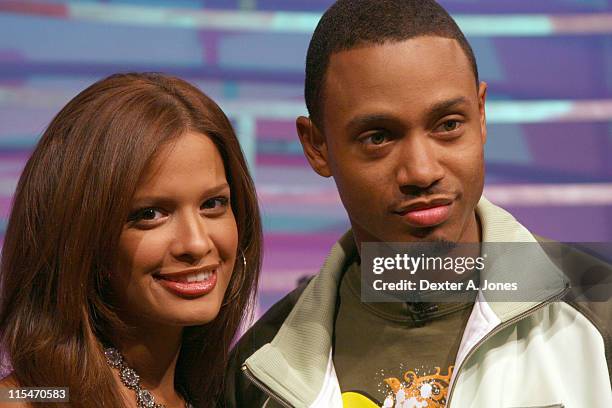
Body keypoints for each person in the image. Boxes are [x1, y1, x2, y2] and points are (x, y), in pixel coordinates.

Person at [223, 1, 612, 407]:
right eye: (378, 137)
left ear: (481, 115)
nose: (422, 171)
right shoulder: (259, 369)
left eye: (448, 125)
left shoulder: (600, 311)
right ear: (316, 146)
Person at [0, 73, 262, 408]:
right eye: (151, 214)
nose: (196, 244)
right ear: (82, 236)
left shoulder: (230, 395)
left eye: (212, 204)